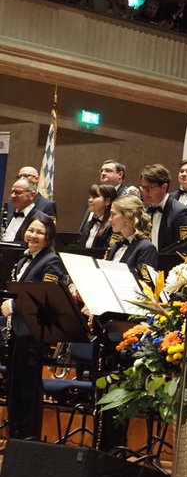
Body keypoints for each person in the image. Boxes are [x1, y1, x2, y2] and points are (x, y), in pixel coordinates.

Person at [1, 215, 68, 439]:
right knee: (14, 388)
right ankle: (14, 437)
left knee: (28, 391)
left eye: (39, 232)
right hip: (18, 332)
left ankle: (28, 441)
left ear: (49, 238)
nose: (33, 235)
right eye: (31, 230)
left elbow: (45, 297)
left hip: (33, 334)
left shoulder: (51, 261)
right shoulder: (23, 259)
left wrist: (15, 305)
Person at [139, 164, 187, 252]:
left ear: (164, 187)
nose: (145, 192)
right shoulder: (148, 211)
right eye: (143, 187)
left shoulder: (181, 213)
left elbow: (186, 249)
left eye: (149, 188)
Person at [105, 195, 158, 277]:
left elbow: (145, 282)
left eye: (113, 214)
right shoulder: (115, 246)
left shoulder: (146, 248)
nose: (109, 219)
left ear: (128, 216)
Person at [2, 178, 46, 244]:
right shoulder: (8, 216)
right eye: (12, 192)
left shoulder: (41, 219)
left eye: (18, 192)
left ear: (31, 195)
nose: (13, 196)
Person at [77, 184, 117, 249]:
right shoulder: (89, 223)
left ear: (107, 201)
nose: (90, 200)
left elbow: (108, 251)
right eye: (90, 197)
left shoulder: (114, 226)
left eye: (94, 197)